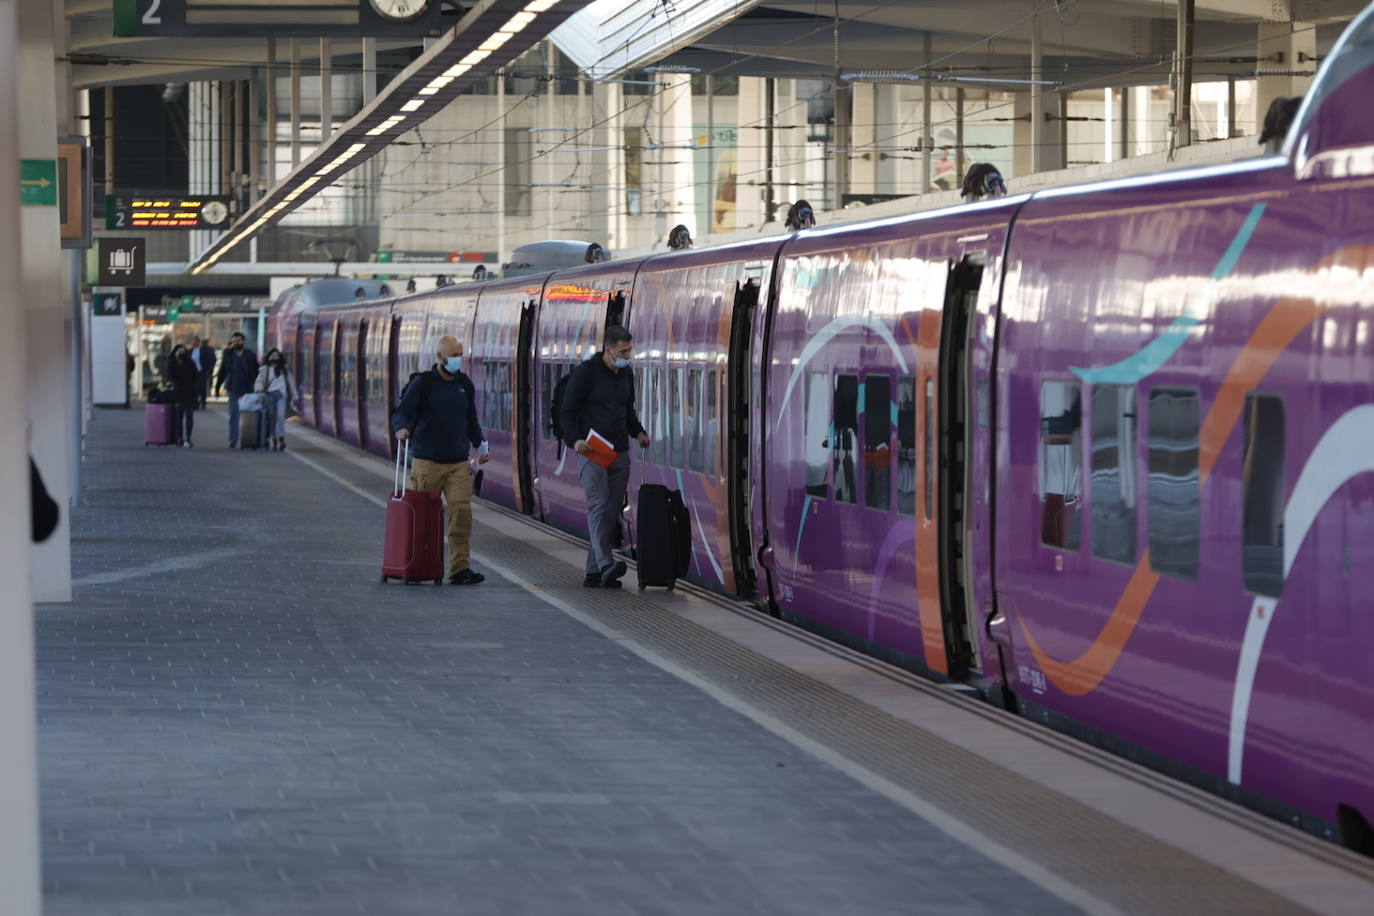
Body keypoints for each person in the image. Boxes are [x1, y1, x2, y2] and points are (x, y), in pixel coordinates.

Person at [391, 335, 490, 586]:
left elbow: (471, 419)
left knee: (461, 514)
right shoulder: (423, 384)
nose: (458, 359)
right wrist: (401, 428)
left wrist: (481, 445)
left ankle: (459, 568)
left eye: (460, 354)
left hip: (458, 462)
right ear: (440, 357)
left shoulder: (464, 384)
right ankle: (416, 564)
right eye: (454, 355)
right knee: (422, 518)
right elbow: (403, 411)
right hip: (427, 463)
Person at [559, 325, 650, 589]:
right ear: (608, 349)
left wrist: (639, 432)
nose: (628, 355)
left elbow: (627, 410)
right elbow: (567, 411)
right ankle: (606, 564)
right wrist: (574, 440)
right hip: (593, 450)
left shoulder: (626, 375)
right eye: (624, 350)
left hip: (619, 451)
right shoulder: (586, 374)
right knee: (598, 506)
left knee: (610, 512)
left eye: (630, 349)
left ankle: (593, 573)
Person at [215, 331, 259, 448]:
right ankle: (233, 439)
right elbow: (222, 371)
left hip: (248, 389)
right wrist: (217, 387)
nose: (236, 343)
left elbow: (256, 371)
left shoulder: (250, 355)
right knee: (234, 414)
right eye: (234, 341)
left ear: (243, 342)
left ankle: (249, 440)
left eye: (238, 341)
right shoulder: (228, 353)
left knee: (249, 415)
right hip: (233, 388)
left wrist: (258, 387)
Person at [253, 347, 299, 452]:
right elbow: (258, 382)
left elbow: (290, 383)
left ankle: (281, 439)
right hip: (269, 396)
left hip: (281, 396)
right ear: (268, 358)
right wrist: (258, 389)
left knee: (281, 417)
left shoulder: (284, 369)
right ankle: (273, 439)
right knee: (272, 418)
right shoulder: (264, 369)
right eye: (273, 356)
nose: (275, 358)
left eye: (277, 356)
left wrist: (295, 396)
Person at [163, 343, 199, 448]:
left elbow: (195, 377)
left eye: (183, 351)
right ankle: (179, 438)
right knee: (179, 417)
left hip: (190, 393)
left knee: (189, 415)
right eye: (179, 351)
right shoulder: (171, 363)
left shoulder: (190, 363)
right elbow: (169, 377)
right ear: (175, 352)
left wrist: (198, 393)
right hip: (178, 393)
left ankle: (188, 438)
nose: (181, 353)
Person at [191, 336, 216, 409]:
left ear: (198, 343)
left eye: (195, 342)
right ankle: (195, 403)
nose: (194, 344)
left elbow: (209, 360)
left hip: (201, 372)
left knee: (202, 388)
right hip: (193, 373)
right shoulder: (190, 351)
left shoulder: (203, 351)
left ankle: (203, 402)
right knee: (194, 388)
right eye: (193, 342)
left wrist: (208, 370)